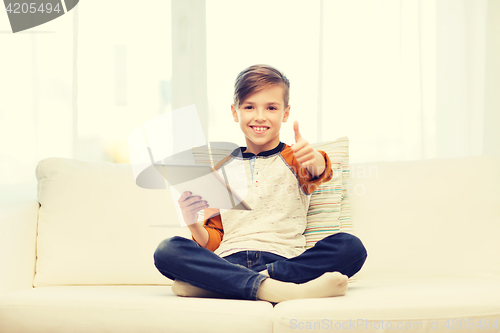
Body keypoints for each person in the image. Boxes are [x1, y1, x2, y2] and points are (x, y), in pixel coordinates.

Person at [153, 64, 367, 303]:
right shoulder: (220, 170)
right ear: (235, 112)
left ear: (285, 113)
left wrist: (314, 159)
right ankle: (283, 290)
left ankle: (225, 285)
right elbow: (213, 240)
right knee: (167, 250)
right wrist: (192, 223)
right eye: (249, 107)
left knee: (350, 247)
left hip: (284, 262)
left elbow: (319, 171)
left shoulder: (295, 157)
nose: (260, 116)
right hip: (229, 259)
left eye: (271, 107)